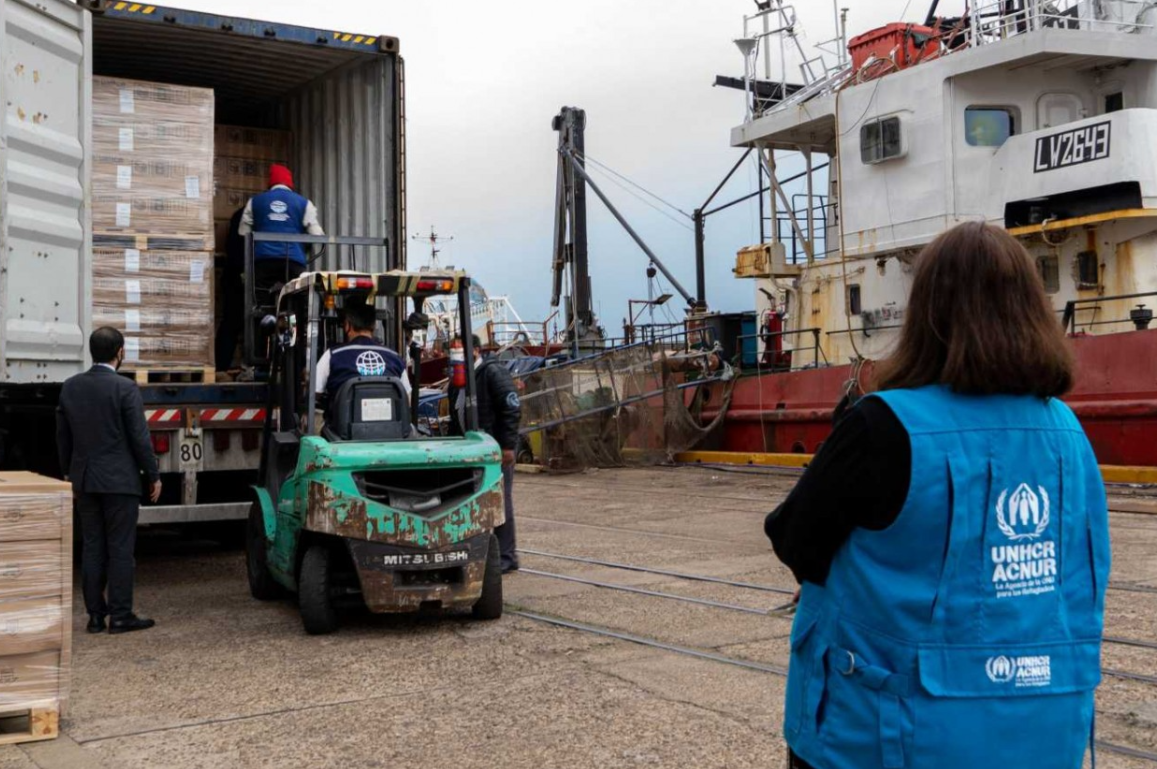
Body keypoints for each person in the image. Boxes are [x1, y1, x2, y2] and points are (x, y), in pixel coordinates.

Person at [765, 221, 1109, 769]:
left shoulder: (882, 427)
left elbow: (795, 539)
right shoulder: (1068, 431)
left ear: (927, 312)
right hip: (1042, 732)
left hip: (887, 733)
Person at [57, 328, 162, 635]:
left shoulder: (70, 387)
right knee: (120, 548)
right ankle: (120, 615)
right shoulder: (125, 388)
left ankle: (94, 617)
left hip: (86, 480)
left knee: (92, 547)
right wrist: (152, 475)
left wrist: (69, 474)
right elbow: (139, 438)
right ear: (120, 352)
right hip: (120, 482)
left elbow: (62, 436)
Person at [449, 335, 521, 573]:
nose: (456, 353)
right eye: (454, 349)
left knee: (500, 500)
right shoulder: (458, 379)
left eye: (461, 349)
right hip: (467, 451)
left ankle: (506, 556)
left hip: (494, 449)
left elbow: (510, 406)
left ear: (476, 350)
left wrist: (507, 445)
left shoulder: (492, 372)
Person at [238, 163, 324, 292]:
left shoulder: (255, 201)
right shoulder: (304, 203)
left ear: (270, 182)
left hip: (263, 262)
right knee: (300, 297)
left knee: (260, 297)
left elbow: (243, 233)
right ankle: (297, 311)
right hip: (293, 262)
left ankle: (262, 311)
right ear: (290, 183)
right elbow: (317, 235)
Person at [315, 301, 409, 408]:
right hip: (390, 424)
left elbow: (314, 392)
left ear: (347, 325)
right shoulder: (395, 357)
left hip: (342, 424)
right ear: (373, 325)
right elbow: (408, 399)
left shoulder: (332, 355)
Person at [213, 205, 245, 372]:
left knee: (231, 323)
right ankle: (221, 366)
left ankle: (221, 366)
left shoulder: (243, 213)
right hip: (238, 277)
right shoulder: (248, 215)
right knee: (233, 322)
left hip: (237, 275)